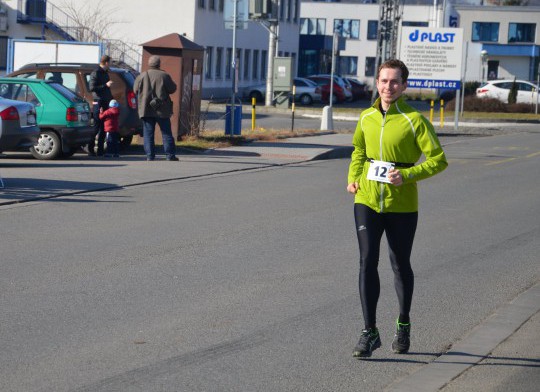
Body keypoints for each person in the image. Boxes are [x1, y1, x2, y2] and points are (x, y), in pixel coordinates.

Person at [347, 59, 448, 358]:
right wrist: (353, 177)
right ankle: (369, 332)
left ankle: (403, 324)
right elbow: (359, 150)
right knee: (367, 260)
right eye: (383, 81)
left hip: (402, 203)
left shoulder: (414, 120)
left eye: (394, 81)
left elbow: (438, 159)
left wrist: (407, 175)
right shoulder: (365, 117)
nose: (388, 87)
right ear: (376, 83)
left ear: (404, 85)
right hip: (366, 198)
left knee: (399, 263)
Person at [133, 55, 178, 161]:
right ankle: (170, 155)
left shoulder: (142, 75)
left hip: (146, 109)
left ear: (149, 64)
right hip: (162, 109)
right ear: (159, 64)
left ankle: (150, 156)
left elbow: (135, 90)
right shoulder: (164, 75)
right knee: (166, 132)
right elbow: (172, 89)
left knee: (148, 133)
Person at [89, 55, 114, 157]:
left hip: (106, 102)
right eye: (110, 62)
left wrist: (111, 99)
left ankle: (100, 150)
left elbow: (107, 91)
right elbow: (92, 88)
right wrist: (105, 85)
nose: (111, 64)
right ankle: (90, 149)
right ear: (106, 62)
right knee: (96, 126)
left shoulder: (105, 73)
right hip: (99, 102)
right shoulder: (96, 72)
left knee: (104, 127)